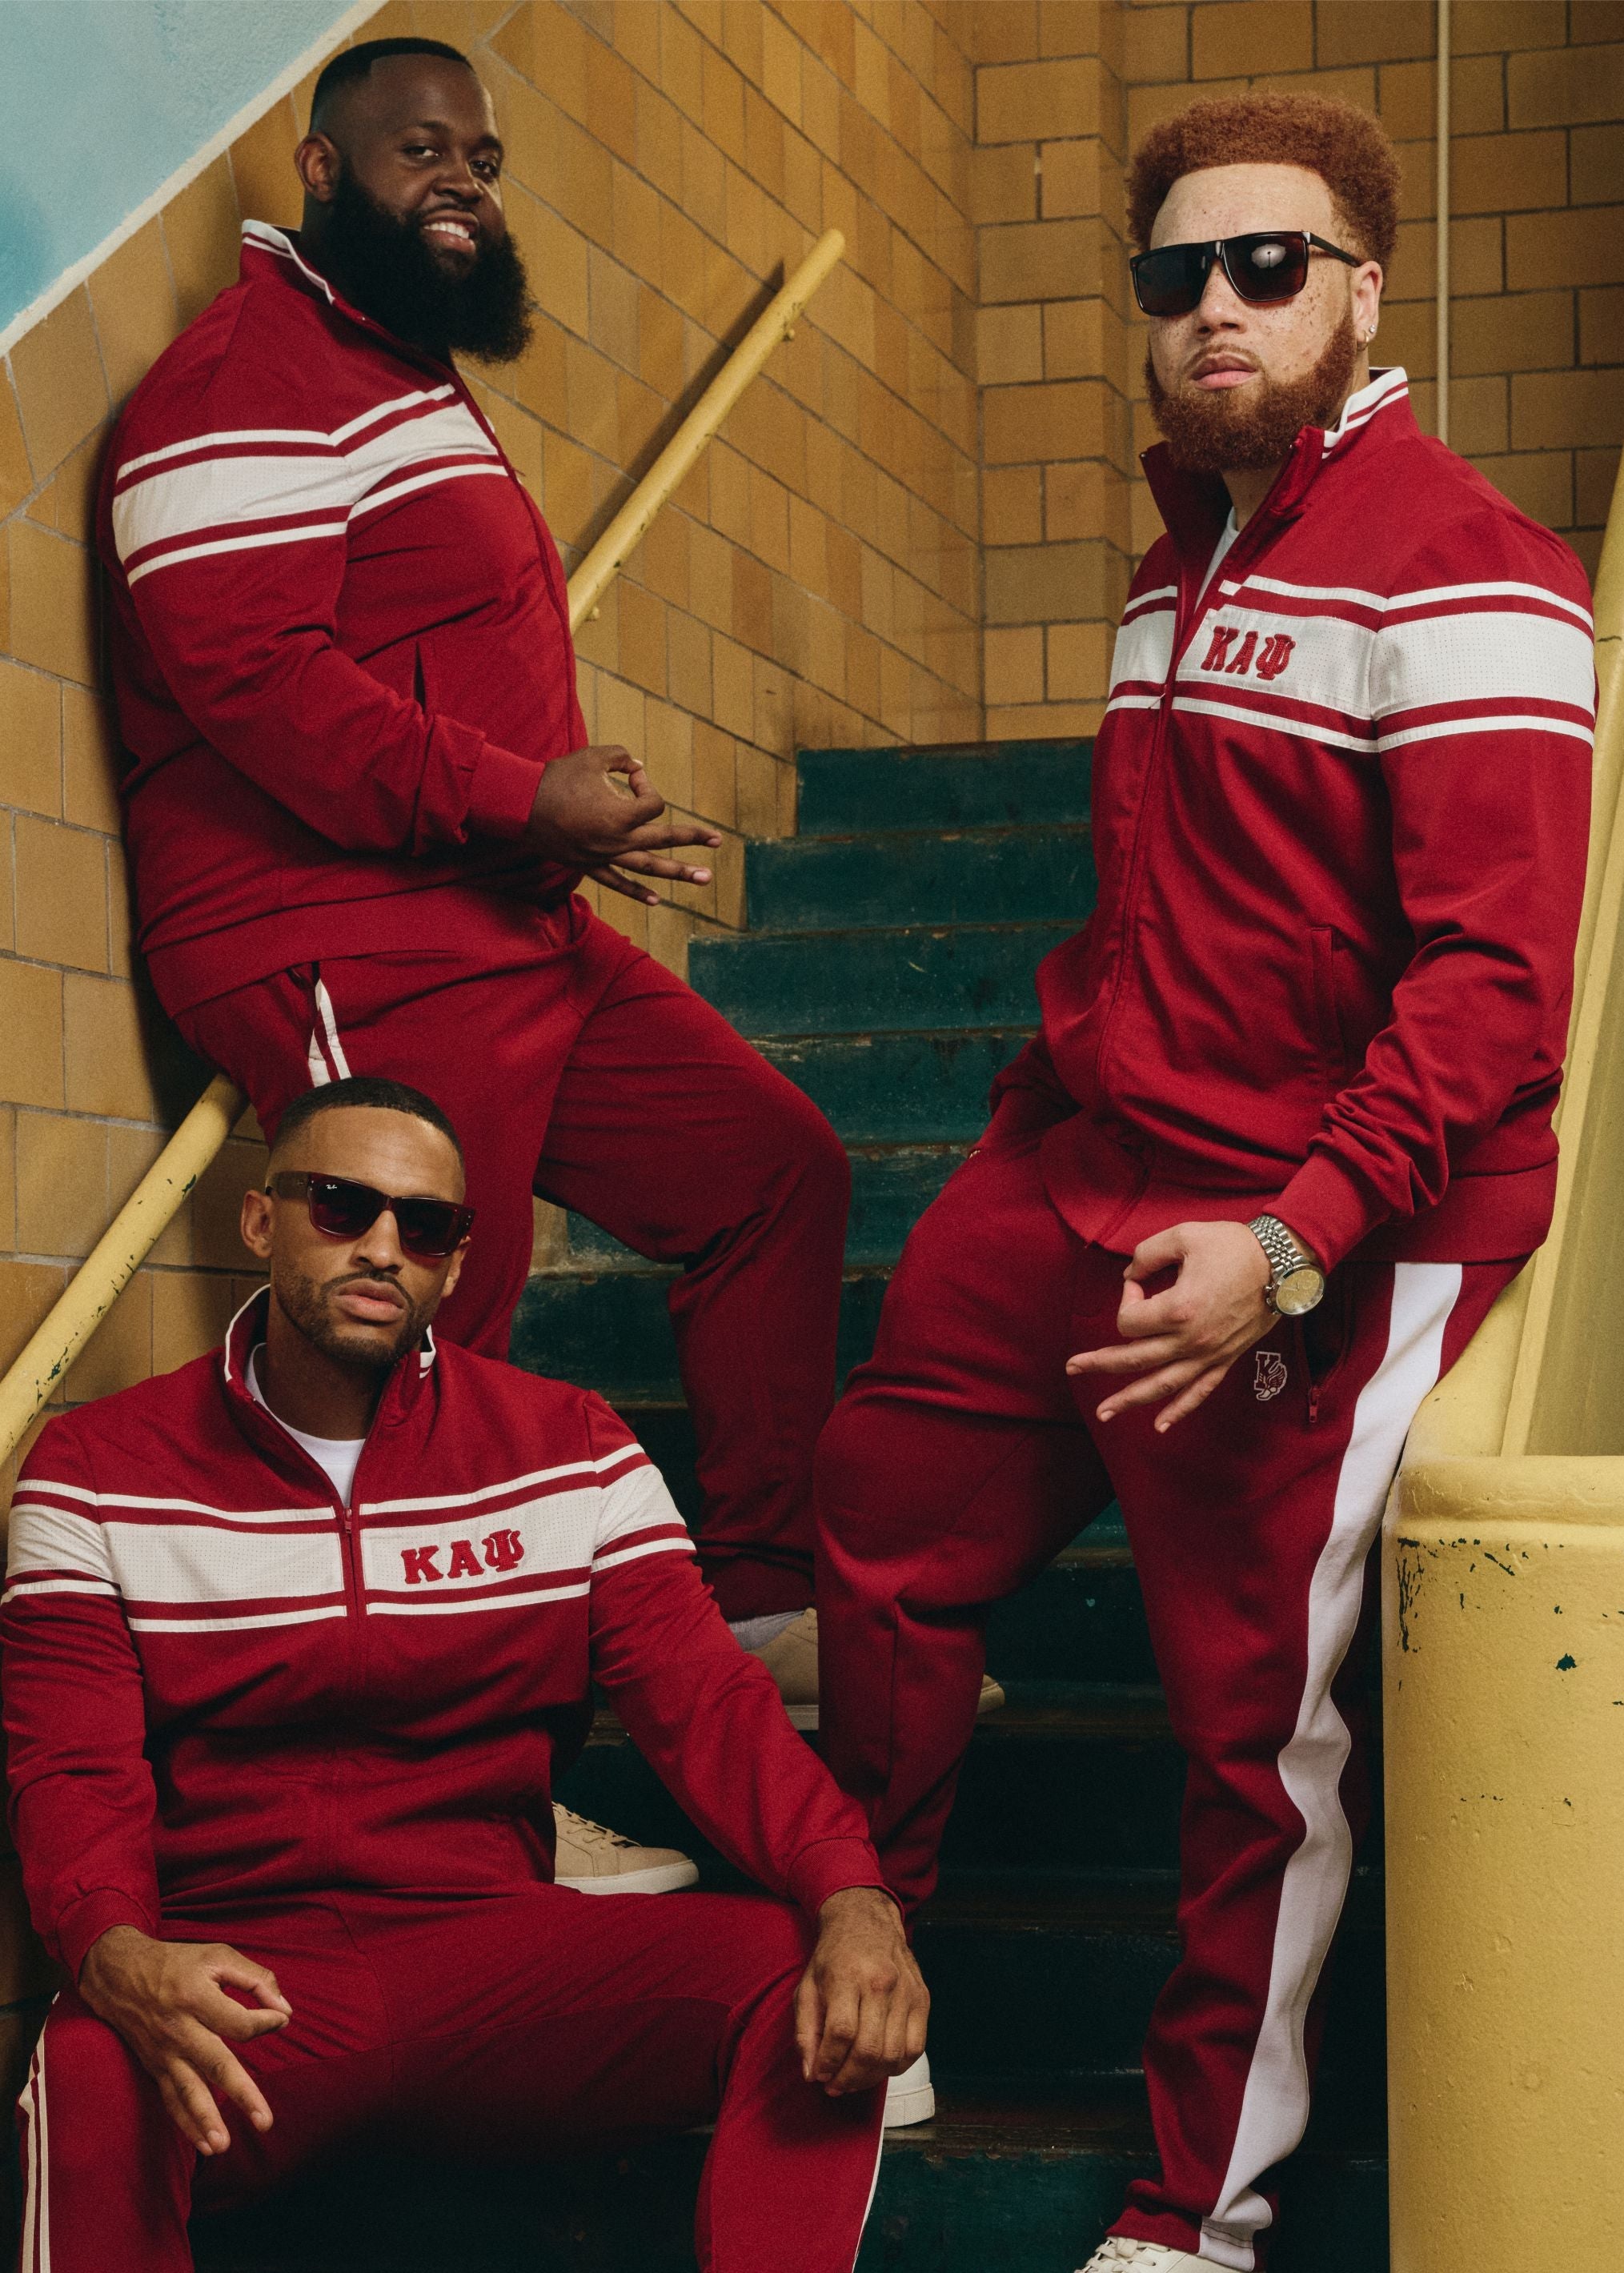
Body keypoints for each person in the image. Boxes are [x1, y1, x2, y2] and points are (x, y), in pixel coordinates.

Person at [814, 92, 1596, 2273]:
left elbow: (1493, 989)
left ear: (1364, 289)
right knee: (879, 1518)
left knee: (1254, 1734)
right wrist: (1025, 1117)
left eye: (1268, 265)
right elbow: (1157, 907)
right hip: (1078, 1166)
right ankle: (872, 1985)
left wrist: (1291, 1242)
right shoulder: (1177, 563)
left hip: (1317, 1228)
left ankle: (1194, 2214)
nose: (1217, 307)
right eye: (1175, 274)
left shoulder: (1472, 567)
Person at [94, 34, 852, 1887]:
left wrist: (531, 820)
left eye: (483, 158)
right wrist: (520, 789)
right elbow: (258, 684)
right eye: (420, 148)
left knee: (770, 1169)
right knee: (421, 1338)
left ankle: (757, 1607)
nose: (461, 181)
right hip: (338, 932)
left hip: (505, 919)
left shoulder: (394, 370)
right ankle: (473, 1809)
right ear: (320, 166)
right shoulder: (241, 376)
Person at [2, 1080, 928, 2273]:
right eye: (341, 1206)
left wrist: (852, 1892)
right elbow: (71, 1765)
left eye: (425, 1224)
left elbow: (709, 1705)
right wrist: (115, 1950)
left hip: (492, 1959)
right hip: (244, 1977)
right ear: (261, 1219)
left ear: (454, 1265)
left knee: (802, 1972)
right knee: (90, 2059)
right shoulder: (96, 1469)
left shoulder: (570, 1448)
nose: (383, 1247)